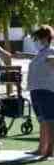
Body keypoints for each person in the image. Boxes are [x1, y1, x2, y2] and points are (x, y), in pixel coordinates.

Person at [24, 26, 54, 156]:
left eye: (37, 38)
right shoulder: (40, 53)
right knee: (42, 121)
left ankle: (50, 150)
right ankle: (41, 148)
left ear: (46, 38)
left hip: (46, 91)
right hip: (35, 90)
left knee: (50, 121)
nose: (35, 41)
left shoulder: (51, 51)